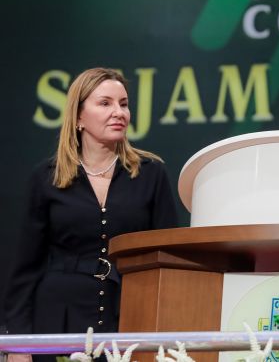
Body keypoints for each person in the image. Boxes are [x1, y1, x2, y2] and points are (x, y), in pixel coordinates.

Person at [4, 68, 178, 361]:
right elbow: (25, 269)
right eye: (105, 103)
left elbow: (166, 260)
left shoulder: (151, 174)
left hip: (128, 319)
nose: (119, 112)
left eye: (124, 104)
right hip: (57, 322)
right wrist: (18, 346)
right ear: (79, 117)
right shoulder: (47, 177)